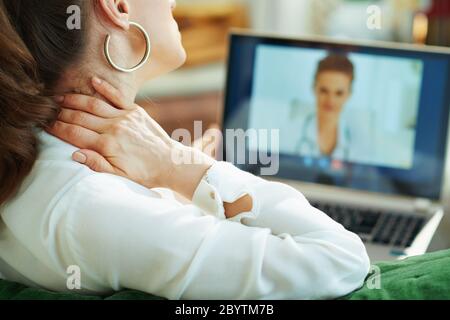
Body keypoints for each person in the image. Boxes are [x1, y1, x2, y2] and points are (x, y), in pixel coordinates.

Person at [0, 0, 370, 299]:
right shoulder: (90, 203)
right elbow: (340, 260)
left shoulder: (41, 156)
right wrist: (182, 168)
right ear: (118, 6)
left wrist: (169, 181)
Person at [295, 54, 354, 160]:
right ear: (314, 89)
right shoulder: (288, 132)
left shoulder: (359, 143)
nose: (330, 101)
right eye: (324, 91)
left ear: (349, 95)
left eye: (339, 93)